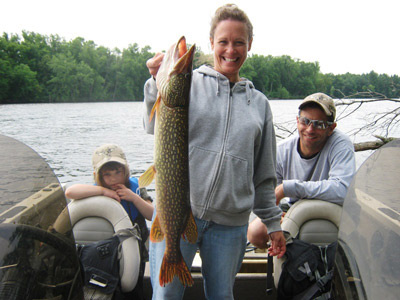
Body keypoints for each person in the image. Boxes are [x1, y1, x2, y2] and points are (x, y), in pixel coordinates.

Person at [143, 4, 286, 299]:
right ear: (212, 43)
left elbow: (263, 175)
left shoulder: (259, 104)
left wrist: (273, 223)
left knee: (222, 296)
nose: (230, 50)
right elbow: (152, 125)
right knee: (166, 296)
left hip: (230, 225)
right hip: (178, 214)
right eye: (223, 41)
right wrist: (154, 82)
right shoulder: (188, 82)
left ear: (249, 46)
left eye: (238, 42)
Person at [247, 92, 356, 249]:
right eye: (305, 121)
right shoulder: (282, 151)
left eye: (319, 124)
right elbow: (266, 193)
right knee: (255, 232)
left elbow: (342, 190)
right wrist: (276, 216)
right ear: (297, 121)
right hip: (294, 207)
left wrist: (288, 188)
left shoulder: (341, 145)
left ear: (331, 128)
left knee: (313, 231)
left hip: (332, 208)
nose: (310, 129)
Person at [65, 144, 154, 300]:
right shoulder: (96, 189)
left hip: (135, 250)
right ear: (98, 175)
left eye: (117, 172)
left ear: (125, 171)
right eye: (107, 174)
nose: (113, 179)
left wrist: (134, 197)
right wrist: (103, 191)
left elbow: (152, 214)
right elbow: (70, 192)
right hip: (109, 254)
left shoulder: (137, 187)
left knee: (134, 291)